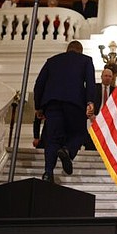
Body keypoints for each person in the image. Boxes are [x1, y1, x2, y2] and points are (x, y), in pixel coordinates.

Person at [33, 41, 96, 182]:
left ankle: (48, 173)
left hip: (53, 105)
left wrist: (39, 107)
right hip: (75, 105)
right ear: (80, 50)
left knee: (52, 140)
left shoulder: (52, 61)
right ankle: (68, 150)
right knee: (79, 133)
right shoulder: (86, 60)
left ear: (67, 49)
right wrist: (90, 102)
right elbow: (90, 83)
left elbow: (39, 85)